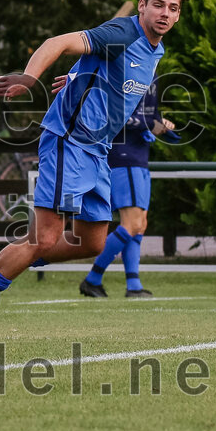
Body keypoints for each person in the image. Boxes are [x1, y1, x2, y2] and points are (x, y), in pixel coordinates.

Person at [0, 0, 189, 339]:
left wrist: (79, 75)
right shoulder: (124, 32)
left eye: (173, 8)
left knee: (93, 241)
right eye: (158, 5)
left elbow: (115, 79)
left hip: (98, 150)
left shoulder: (156, 50)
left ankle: (2, 263)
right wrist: (30, 79)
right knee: (44, 237)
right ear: (142, 6)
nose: (166, 14)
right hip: (69, 140)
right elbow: (56, 42)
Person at [79, 80, 177, 298]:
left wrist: (161, 123)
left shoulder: (153, 68)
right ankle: (92, 279)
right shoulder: (127, 67)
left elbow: (148, 113)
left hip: (139, 156)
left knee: (140, 224)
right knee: (131, 224)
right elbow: (115, 115)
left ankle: (133, 285)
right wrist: (148, 124)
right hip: (123, 155)